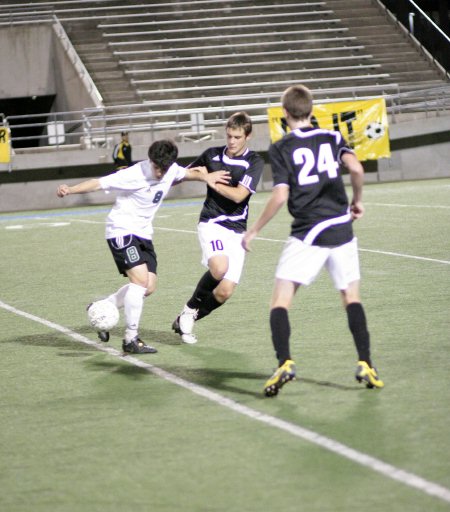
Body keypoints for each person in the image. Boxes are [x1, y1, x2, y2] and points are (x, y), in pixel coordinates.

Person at [242, 84, 384, 396]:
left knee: (280, 301)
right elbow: (356, 168)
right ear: (311, 109)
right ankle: (366, 363)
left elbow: (280, 195)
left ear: (284, 113)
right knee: (351, 297)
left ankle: (285, 362)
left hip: (307, 232)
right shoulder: (333, 137)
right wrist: (356, 200)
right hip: (341, 229)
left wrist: (254, 230)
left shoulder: (281, 148)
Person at [57, 139, 229, 354]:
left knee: (148, 287)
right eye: (157, 168)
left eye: (164, 169)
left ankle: (102, 306)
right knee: (139, 281)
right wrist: (70, 189)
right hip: (121, 230)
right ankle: (131, 338)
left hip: (144, 234)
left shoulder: (170, 169)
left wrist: (206, 176)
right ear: (150, 160)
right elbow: (98, 183)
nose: (160, 173)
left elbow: (185, 174)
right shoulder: (134, 174)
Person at [172, 111, 264, 344]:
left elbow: (239, 195)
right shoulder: (211, 155)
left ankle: (185, 318)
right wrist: (202, 176)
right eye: (229, 136)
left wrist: (211, 180)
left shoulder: (254, 162)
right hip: (212, 222)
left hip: (237, 230)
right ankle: (191, 307)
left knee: (224, 292)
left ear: (248, 136)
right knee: (219, 267)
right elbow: (180, 176)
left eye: (237, 137)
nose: (231, 142)